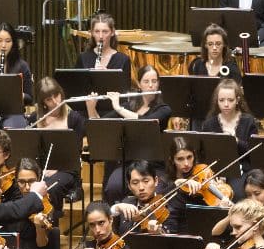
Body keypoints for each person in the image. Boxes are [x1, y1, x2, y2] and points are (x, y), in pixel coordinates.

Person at [97, 65, 172, 203]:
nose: (151, 85)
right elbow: (101, 123)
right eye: (146, 81)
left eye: (154, 81)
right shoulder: (129, 105)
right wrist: (91, 106)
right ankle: (117, 222)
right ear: (139, 84)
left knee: (158, 190)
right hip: (129, 162)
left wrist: (118, 108)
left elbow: (147, 122)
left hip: (153, 164)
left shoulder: (164, 109)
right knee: (113, 187)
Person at [26, 76, 85, 216]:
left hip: (67, 170)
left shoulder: (74, 119)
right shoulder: (35, 119)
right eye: (48, 99)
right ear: (43, 103)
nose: (55, 102)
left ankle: (53, 223)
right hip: (40, 169)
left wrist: (56, 168)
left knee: (49, 188)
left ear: (61, 93)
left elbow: (75, 152)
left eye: (56, 96)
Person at [201, 78, 259, 162]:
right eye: (221, 100)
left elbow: (254, 152)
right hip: (217, 170)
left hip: (244, 169)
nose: (226, 104)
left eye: (230, 100)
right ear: (217, 101)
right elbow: (204, 154)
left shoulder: (248, 121)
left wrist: (237, 142)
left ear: (237, 100)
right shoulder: (209, 124)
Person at [75, 12, 133, 86]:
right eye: (97, 31)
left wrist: (107, 76)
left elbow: (125, 90)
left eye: (105, 31)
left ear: (112, 32)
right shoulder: (83, 58)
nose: (101, 36)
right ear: (92, 33)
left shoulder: (123, 60)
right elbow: (77, 87)